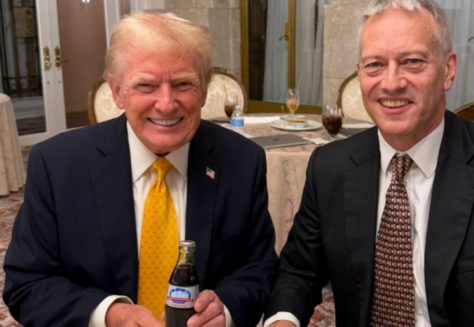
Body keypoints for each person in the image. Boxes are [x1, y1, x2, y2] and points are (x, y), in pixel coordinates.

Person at [264, 0, 474, 326]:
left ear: (448, 69)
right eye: (375, 64)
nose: (391, 83)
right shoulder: (329, 167)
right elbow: (297, 272)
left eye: (413, 62)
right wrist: (283, 319)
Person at [3, 12, 278, 327]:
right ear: (117, 91)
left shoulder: (242, 161)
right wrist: (109, 314)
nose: (166, 103)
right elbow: (27, 284)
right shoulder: (57, 165)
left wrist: (225, 308)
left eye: (183, 83)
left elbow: (260, 269)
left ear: (203, 90)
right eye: (146, 85)